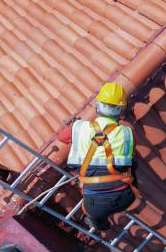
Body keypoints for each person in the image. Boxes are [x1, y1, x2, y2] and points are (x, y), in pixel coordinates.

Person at [58, 82, 138, 231]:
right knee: (133, 164)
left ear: (97, 105)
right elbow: (130, 154)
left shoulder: (80, 128)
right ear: (121, 110)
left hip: (95, 207)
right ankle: (99, 220)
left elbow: (61, 137)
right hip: (128, 197)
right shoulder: (128, 132)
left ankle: (101, 225)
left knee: (94, 212)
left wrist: (75, 127)